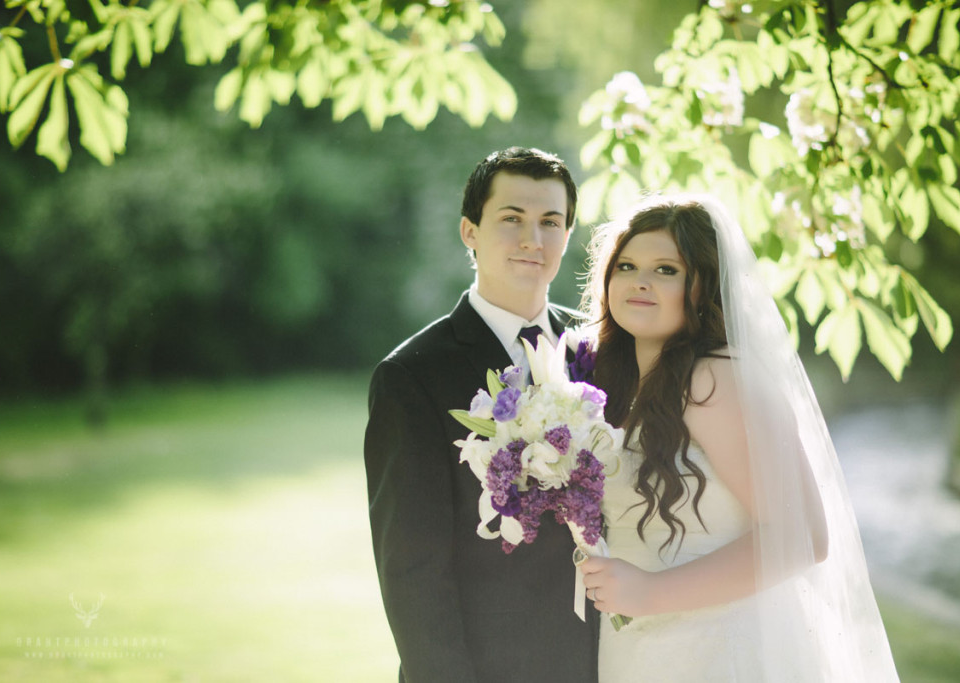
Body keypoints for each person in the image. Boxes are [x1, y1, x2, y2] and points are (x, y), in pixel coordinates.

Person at [577, 195, 899, 681]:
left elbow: (803, 537)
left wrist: (649, 592)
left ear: (704, 286)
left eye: (667, 270)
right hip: (639, 653)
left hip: (718, 653)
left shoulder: (713, 379)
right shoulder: (613, 388)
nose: (640, 280)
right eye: (627, 265)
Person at [364, 147, 598, 682]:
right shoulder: (412, 377)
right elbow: (412, 571)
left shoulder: (601, 350)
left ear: (568, 233)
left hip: (605, 658)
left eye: (550, 222)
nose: (531, 240)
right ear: (469, 231)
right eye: (511, 219)